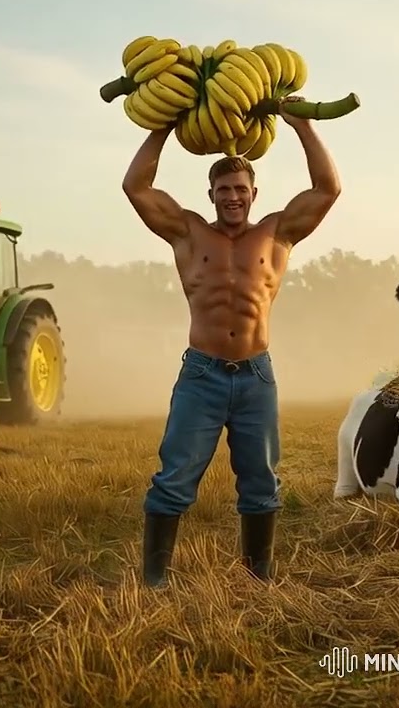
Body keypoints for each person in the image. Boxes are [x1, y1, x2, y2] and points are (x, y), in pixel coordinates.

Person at [121, 97, 342, 588]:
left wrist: (302, 124)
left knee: (261, 482)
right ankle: (154, 581)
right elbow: (135, 186)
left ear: (254, 192)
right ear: (212, 193)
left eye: (240, 189)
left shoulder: (278, 234)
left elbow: (328, 188)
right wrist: (163, 124)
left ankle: (257, 576)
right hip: (201, 375)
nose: (233, 197)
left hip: (256, 376)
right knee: (174, 479)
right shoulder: (187, 232)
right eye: (224, 189)